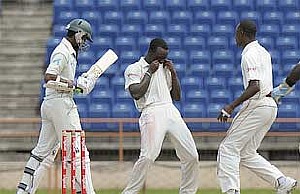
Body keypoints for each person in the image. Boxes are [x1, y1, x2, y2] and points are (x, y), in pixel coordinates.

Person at [16, 18, 97, 194]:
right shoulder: (63, 52)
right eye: (84, 39)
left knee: (42, 153)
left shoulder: (69, 52)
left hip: (53, 103)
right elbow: (49, 77)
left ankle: (24, 191)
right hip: (61, 105)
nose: (83, 43)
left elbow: (65, 85)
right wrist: (74, 84)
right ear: (78, 34)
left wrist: (80, 87)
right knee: (80, 153)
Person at [216, 20, 297, 194]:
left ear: (242, 33)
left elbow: (255, 86)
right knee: (246, 152)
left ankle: (231, 190)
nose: (235, 36)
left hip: (257, 104)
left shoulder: (249, 54)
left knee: (227, 148)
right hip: (270, 105)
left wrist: (230, 107)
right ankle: (281, 181)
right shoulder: (263, 52)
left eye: (237, 32)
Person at [122, 38, 199, 194]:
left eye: (164, 58)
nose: (162, 61)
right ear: (151, 52)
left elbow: (176, 97)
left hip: (170, 108)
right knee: (148, 156)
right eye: (160, 57)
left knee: (191, 155)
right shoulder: (134, 68)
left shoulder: (165, 68)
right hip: (150, 111)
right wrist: (150, 71)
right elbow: (136, 93)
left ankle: (188, 192)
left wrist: (174, 74)